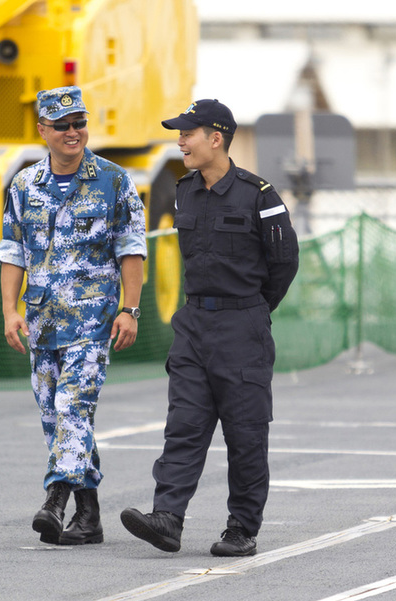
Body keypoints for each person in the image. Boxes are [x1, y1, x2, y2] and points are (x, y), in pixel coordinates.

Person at [120, 99, 299, 556]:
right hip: (193, 324)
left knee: (245, 433)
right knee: (183, 425)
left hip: (242, 326)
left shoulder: (259, 195)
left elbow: (284, 264)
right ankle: (168, 518)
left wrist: (253, 311)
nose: (180, 140)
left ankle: (241, 527)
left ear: (215, 138)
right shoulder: (185, 191)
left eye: (188, 133)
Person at [0, 86, 146, 546]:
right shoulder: (24, 185)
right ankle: (90, 515)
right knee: (56, 418)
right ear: (43, 130)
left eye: (79, 123)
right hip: (42, 321)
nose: (72, 132)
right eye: (61, 125)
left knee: (72, 407)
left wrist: (130, 309)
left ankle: (55, 499)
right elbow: (13, 250)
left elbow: (131, 247)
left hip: (92, 320)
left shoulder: (114, 181)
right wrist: (9, 311)